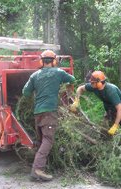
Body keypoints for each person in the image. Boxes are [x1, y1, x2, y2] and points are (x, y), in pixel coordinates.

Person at [22, 50, 75, 181]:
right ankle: (37, 170)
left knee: (41, 141)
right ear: (54, 61)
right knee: (48, 140)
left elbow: (25, 93)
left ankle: (39, 167)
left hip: (37, 113)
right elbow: (72, 79)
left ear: (41, 61)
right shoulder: (59, 72)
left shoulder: (34, 75)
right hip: (49, 112)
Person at [70, 71, 121, 135]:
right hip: (110, 108)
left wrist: (115, 125)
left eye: (92, 83)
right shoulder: (94, 86)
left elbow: (120, 109)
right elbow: (80, 88)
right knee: (104, 132)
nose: (91, 84)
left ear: (99, 83)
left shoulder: (111, 91)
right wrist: (76, 101)